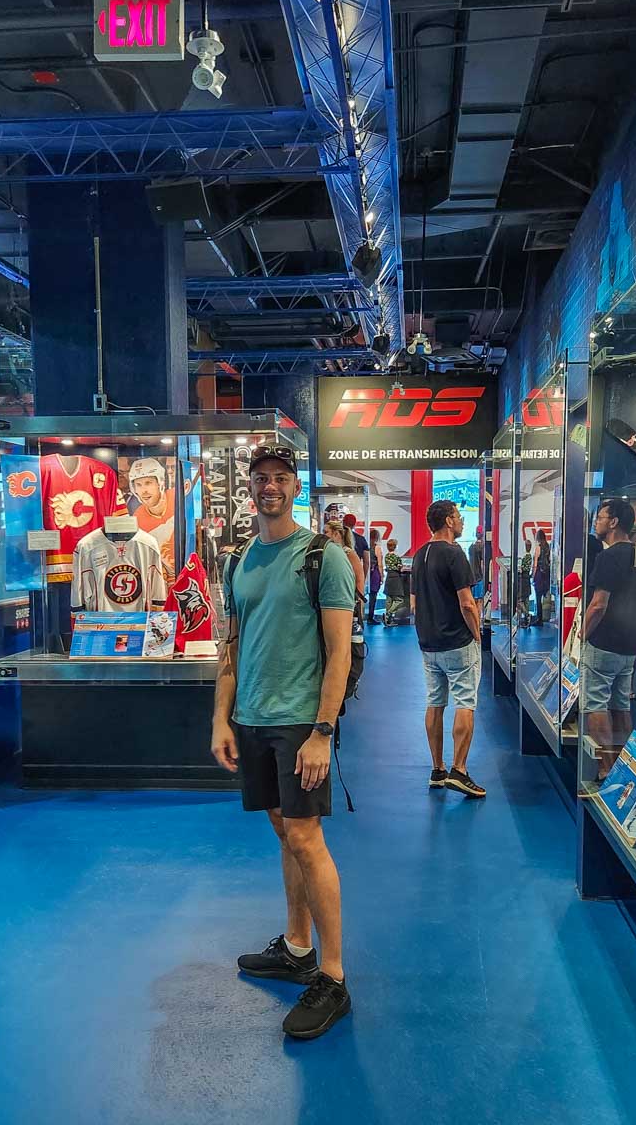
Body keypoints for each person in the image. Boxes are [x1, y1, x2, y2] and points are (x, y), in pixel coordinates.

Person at [210, 443, 357, 1041]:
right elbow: (232, 647)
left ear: (296, 488)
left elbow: (340, 651)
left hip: (301, 721)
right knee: (282, 829)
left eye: (280, 479)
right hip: (252, 717)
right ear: (250, 490)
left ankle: (333, 975)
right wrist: (222, 719)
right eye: (260, 479)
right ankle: (297, 946)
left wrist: (323, 730)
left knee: (305, 835)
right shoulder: (238, 561)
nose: (269, 487)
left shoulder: (324, 556)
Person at [411, 499, 485, 799]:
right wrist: (477, 634)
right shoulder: (454, 554)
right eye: (458, 516)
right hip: (457, 642)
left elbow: (415, 603)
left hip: (428, 644)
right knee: (465, 702)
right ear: (447, 521)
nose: (462, 521)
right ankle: (460, 770)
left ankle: (438, 768)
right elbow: (467, 603)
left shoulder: (419, 554)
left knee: (435, 702)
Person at [582, 499, 636, 777]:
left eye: (600, 516)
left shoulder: (608, 557)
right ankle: (624, 767)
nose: (596, 521)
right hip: (630, 642)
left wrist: (580, 635)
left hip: (605, 641)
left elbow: (599, 604)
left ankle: (605, 768)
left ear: (614, 522)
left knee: (595, 702)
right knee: (621, 703)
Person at [129, 456, 176, 582]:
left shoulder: (179, 498)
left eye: (148, 483)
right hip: (161, 583)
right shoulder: (136, 520)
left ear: (160, 483)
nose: (143, 491)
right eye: (138, 485)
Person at [324, 518, 365, 599]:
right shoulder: (327, 552)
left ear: (336, 534)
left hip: (346, 597)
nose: (323, 535)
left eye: (326, 532)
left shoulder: (348, 552)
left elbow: (359, 578)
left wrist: (359, 601)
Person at [342, 513, 370, 589]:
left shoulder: (339, 539)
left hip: (341, 575)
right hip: (355, 574)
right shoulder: (361, 539)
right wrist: (362, 578)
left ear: (343, 522)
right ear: (354, 525)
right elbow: (366, 562)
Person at [383, 539, 405, 625]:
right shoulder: (396, 557)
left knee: (389, 599)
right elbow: (400, 567)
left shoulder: (386, 556)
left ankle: (388, 620)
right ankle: (389, 614)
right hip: (396, 578)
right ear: (395, 547)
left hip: (389, 577)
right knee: (399, 600)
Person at [532, 528, 550, 626]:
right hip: (546, 575)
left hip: (539, 574)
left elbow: (535, 562)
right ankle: (543, 616)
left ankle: (539, 618)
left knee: (537, 597)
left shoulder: (538, 547)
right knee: (544, 596)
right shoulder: (548, 546)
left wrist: (533, 575)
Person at [468, 525, 485, 618]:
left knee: (473, 600)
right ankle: (478, 622)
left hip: (471, 577)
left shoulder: (471, 547)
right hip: (479, 578)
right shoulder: (482, 547)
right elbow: (482, 564)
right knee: (479, 601)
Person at [368, 528, 384, 624]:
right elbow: (380, 564)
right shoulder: (377, 548)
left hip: (367, 573)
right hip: (375, 574)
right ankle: (370, 617)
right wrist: (382, 576)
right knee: (373, 596)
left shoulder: (367, 547)